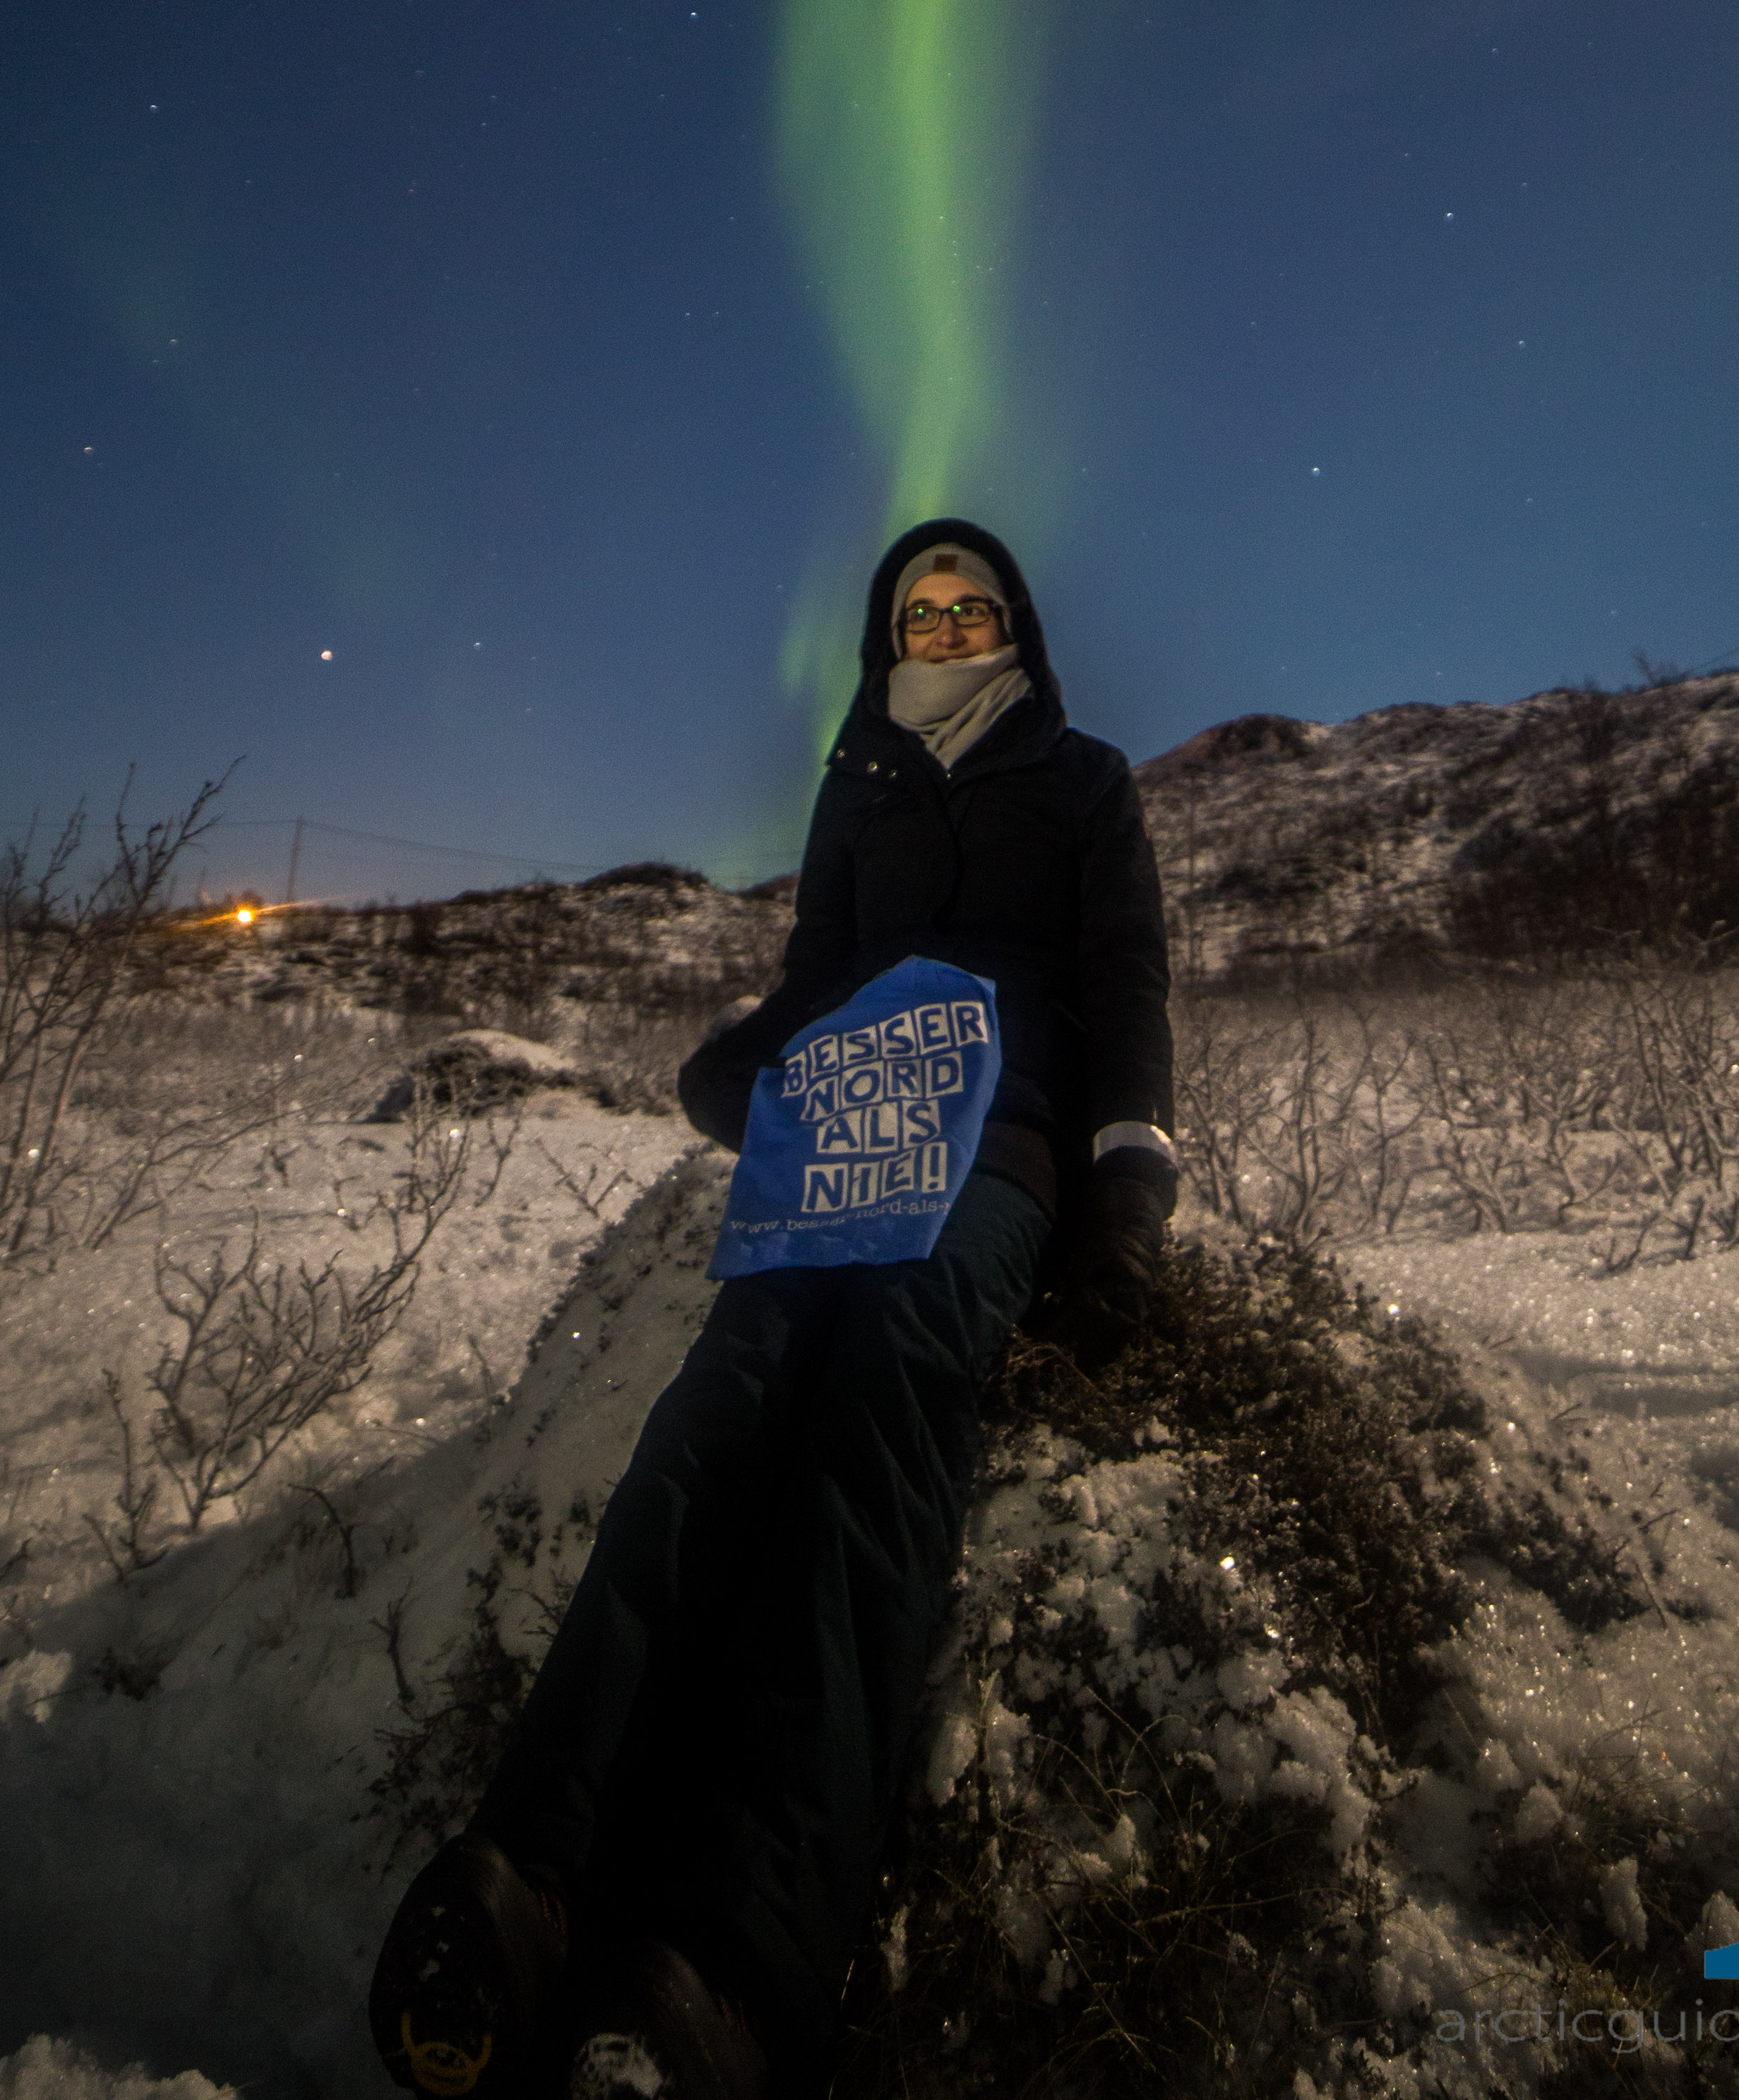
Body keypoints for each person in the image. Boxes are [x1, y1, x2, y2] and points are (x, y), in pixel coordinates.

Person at [368, 517, 1177, 2100]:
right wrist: (735, 1062)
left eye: (973, 609)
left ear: (1015, 627)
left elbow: (1128, 982)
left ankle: (739, 1967)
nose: (945, 630)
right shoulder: (856, 785)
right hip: (834, 1147)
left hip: (997, 1134)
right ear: (889, 634)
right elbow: (817, 971)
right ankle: (527, 1873)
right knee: (714, 1412)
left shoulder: (1087, 782)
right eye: (918, 611)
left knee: (887, 1413)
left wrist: (1125, 1197)